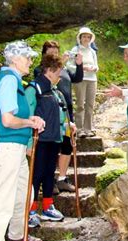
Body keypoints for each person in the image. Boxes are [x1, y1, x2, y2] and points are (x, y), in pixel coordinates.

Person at [0, 41, 45, 241]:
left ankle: (17, 234)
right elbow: (8, 120)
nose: (31, 61)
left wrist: (31, 119)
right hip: (6, 145)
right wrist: (30, 122)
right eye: (27, 57)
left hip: (15, 146)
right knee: (2, 200)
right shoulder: (8, 80)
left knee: (23, 191)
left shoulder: (14, 81)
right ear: (15, 59)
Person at [34, 40, 83, 194]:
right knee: (51, 148)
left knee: (67, 145)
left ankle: (62, 178)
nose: (54, 55)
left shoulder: (65, 70)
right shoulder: (39, 71)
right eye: (51, 52)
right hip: (50, 116)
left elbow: (77, 78)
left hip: (66, 112)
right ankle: (48, 182)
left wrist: (79, 64)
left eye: (56, 52)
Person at [26, 54, 69, 228]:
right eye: (58, 71)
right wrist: (29, 143)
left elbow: (59, 114)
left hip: (53, 138)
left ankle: (47, 206)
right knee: (36, 175)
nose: (60, 75)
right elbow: (27, 115)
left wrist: (68, 127)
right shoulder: (34, 89)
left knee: (49, 173)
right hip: (40, 140)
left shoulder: (53, 91)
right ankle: (30, 210)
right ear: (50, 71)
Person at [68, 26, 99, 138]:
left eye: (88, 37)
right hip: (80, 79)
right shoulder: (75, 50)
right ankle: (79, 128)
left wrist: (93, 68)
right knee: (80, 103)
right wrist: (81, 68)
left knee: (90, 104)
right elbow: (69, 65)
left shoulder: (92, 51)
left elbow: (96, 66)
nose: (86, 39)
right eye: (84, 36)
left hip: (92, 79)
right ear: (80, 38)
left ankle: (88, 128)